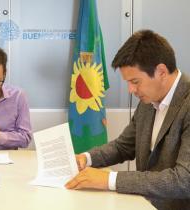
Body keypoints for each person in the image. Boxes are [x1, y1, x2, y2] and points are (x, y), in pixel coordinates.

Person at [65, 29, 190, 210]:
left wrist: (110, 179)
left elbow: (184, 179)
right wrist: (86, 158)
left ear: (161, 71)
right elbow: (123, 146)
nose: (131, 90)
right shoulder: (149, 99)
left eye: (135, 81)